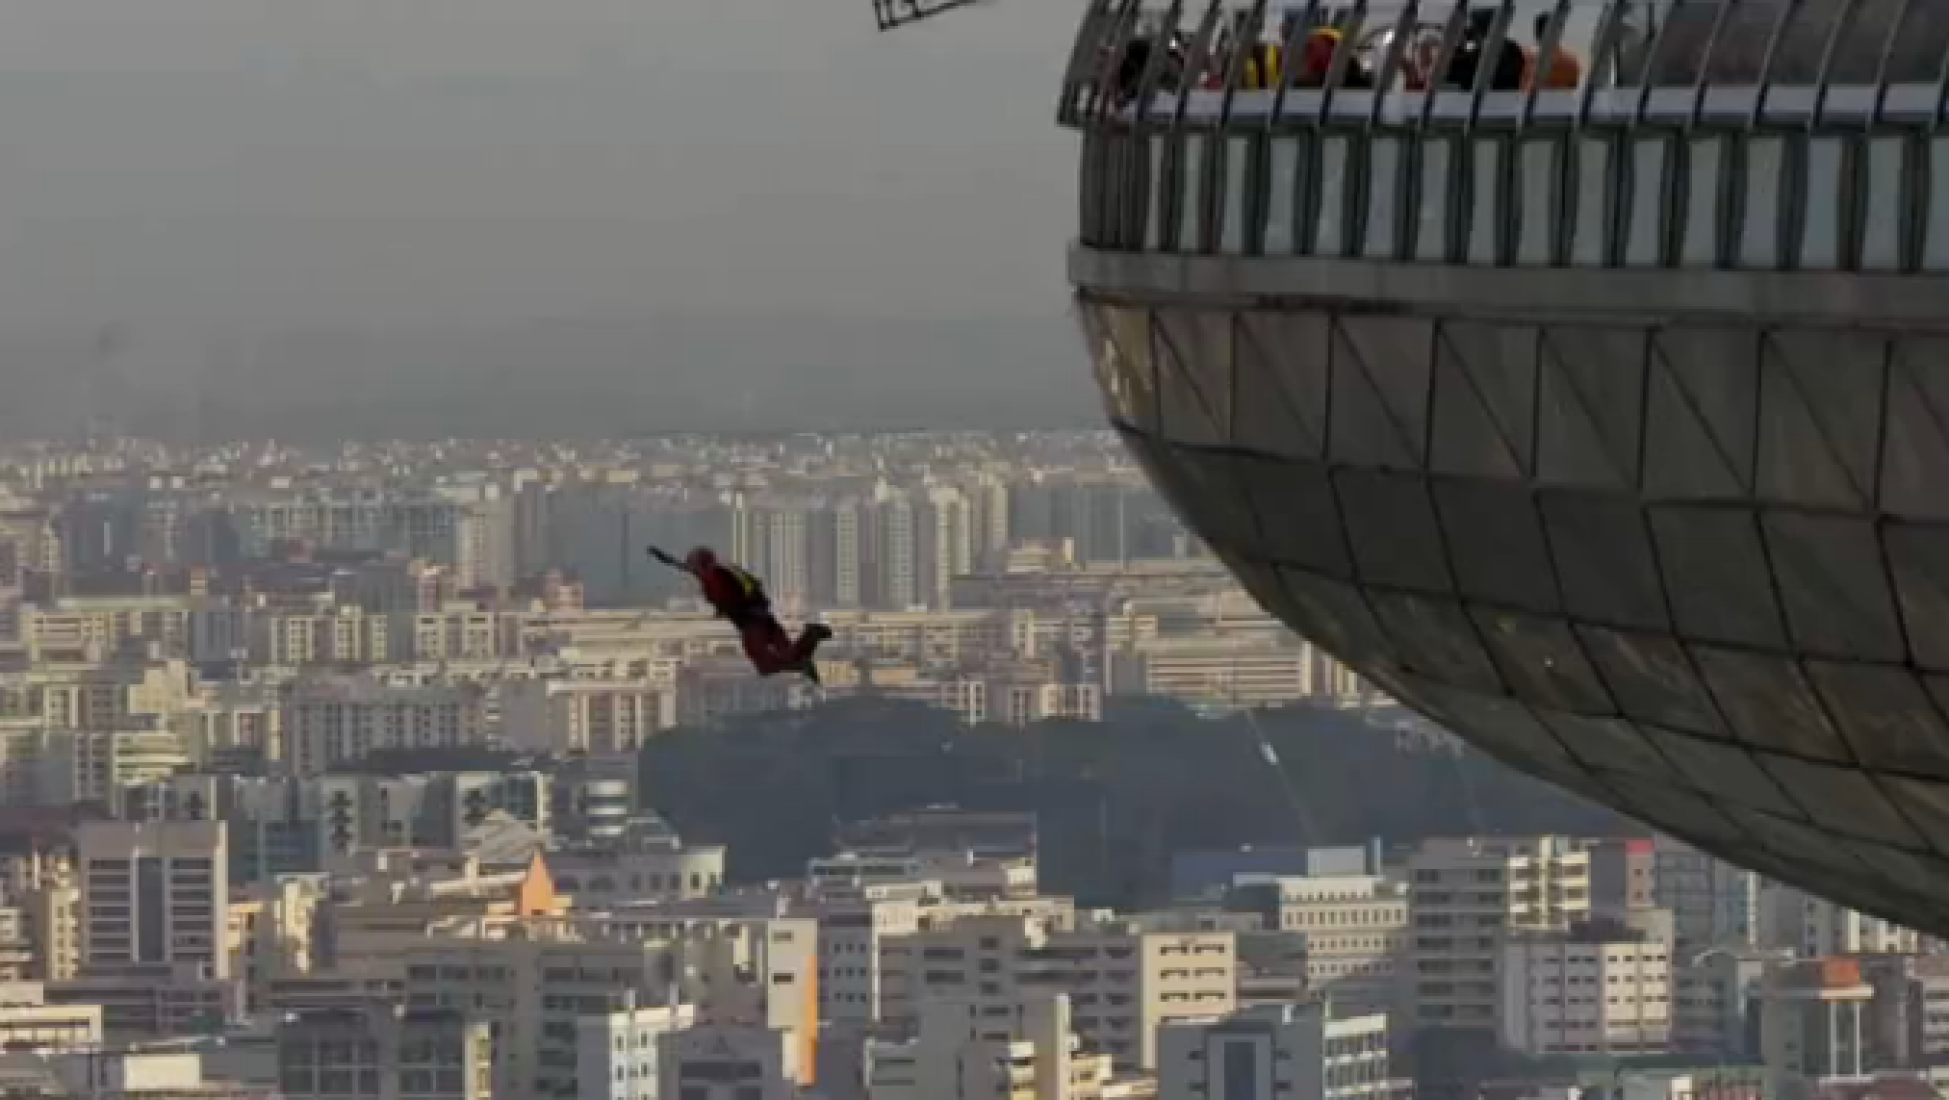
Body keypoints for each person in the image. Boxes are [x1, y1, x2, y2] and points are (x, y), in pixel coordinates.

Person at [650, 546, 832, 684]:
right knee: (786, 654)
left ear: (703, 564)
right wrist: (668, 560)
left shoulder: (718, 576)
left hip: (753, 624)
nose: (693, 569)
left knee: (766, 666)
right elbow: (689, 569)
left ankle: (809, 641)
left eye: (695, 565)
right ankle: (807, 648)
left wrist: (742, 609)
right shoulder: (717, 572)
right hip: (763, 619)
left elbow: (748, 592)